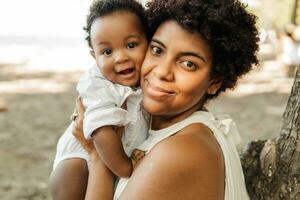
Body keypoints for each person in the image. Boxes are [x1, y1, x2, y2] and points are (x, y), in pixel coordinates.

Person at [72, 0, 260, 199]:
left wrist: (97, 156)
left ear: (215, 82)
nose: (162, 71)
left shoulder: (179, 151)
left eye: (188, 63)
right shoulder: (178, 131)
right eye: (157, 50)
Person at [49, 0, 151, 199]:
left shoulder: (146, 82)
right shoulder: (97, 84)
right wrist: (125, 168)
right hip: (79, 158)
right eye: (107, 52)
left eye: (131, 45)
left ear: (148, 41)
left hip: (111, 157)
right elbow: (101, 131)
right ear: (94, 56)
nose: (120, 57)